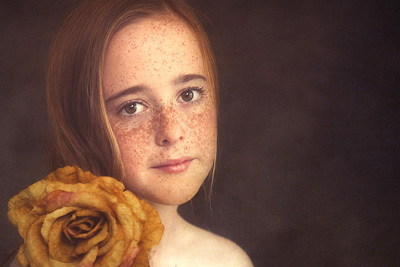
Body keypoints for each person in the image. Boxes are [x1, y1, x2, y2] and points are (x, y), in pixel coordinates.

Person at [9, 0, 252, 266]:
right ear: (80, 123)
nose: (171, 131)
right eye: (132, 107)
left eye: (188, 94)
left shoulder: (227, 261)